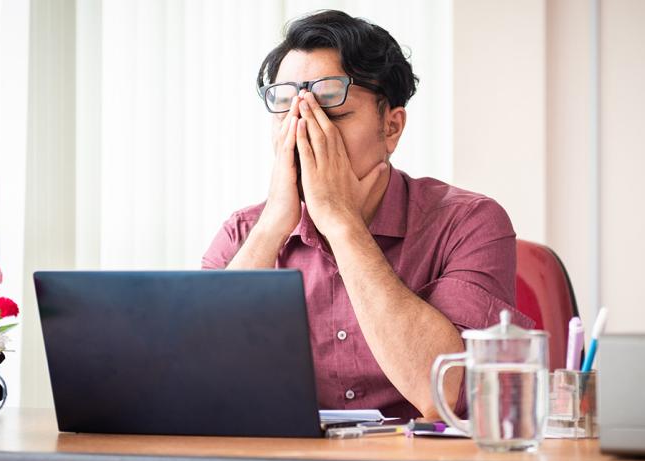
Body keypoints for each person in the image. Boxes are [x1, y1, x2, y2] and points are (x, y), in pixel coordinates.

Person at [202, 9, 542, 419]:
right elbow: (195, 379)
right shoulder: (242, 233)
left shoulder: (470, 223)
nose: (307, 131)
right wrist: (274, 221)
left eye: (334, 112)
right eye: (289, 112)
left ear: (392, 127)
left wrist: (341, 223)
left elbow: (444, 395)